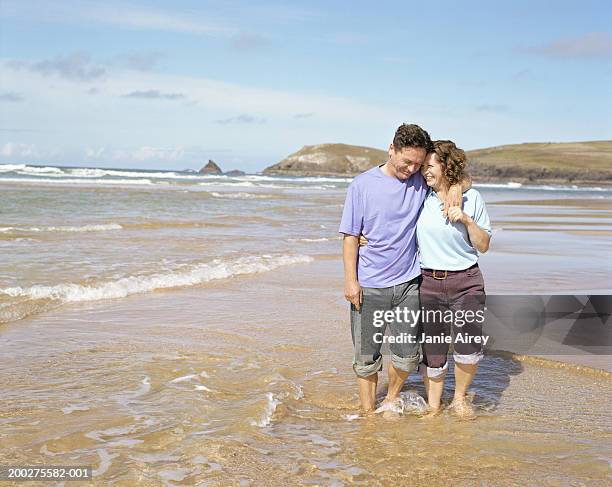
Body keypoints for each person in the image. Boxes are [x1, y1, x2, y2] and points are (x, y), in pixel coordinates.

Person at [339, 124, 468, 413]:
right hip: (369, 285)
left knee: (407, 356)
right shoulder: (361, 185)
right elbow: (349, 237)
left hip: (410, 284)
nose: (411, 169)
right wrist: (351, 281)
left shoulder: (419, 182)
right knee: (366, 357)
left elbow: (455, 179)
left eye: (418, 164)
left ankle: (390, 399)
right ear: (391, 149)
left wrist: (458, 187)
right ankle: (368, 413)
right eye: (406, 161)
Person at [417, 140, 491, 419]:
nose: (425, 172)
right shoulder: (420, 195)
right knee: (433, 348)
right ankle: (434, 406)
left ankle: (459, 399)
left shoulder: (473, 198)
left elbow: (483, 246)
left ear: (447, 166)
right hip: (428, 282)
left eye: (430, 166)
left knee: (467, 344)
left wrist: (468, 221)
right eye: (423, 167)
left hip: (467, 281)